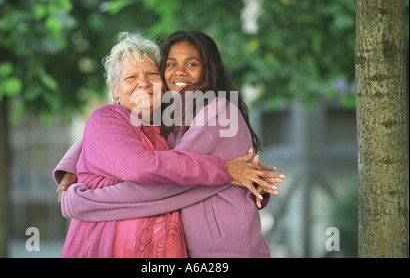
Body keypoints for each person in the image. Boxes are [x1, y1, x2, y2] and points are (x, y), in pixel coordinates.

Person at [55, 30, 284, 258]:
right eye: (130, 77)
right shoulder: (119, 120)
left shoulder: (195, 116)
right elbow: (139, 162)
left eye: (152, 74)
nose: (143, 83)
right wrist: (71, 169)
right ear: (115, 88)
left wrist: (83, 201)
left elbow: (168, 181)